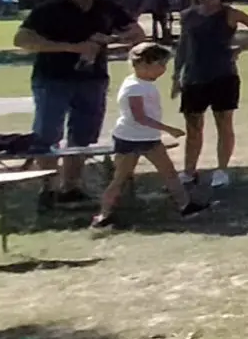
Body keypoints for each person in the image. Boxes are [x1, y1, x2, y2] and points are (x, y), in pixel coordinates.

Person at [12, 0, 145, 208]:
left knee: (83, 135)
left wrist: (110, 39)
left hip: (93, 80)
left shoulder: (107, 9)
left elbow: (137, 33)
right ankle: (48, 188)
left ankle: (70, 187)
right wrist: (72, 47)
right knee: (47, 134)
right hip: (52, 79)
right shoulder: (50, 10)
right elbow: (22, 39)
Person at [90, 43, 209, 229]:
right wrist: (168, 129)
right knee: (120, 178)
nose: (163, 70)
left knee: (169, 172)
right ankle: (103, 216)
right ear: (144, 64)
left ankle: (186, 206)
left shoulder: (144, 84)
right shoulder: (134, 87)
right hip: (129, 140)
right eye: (160, 65)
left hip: (149, 138)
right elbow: (139, 117)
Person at [173, 0, 248, 190]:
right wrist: (176, 76)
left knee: (224, 124)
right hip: (193, 77)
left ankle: (221, 170)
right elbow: (183, 47)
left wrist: (241, 49)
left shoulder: (231, 14)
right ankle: (189, 172)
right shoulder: (188, 15)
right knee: (193, 126)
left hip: (224, 76)